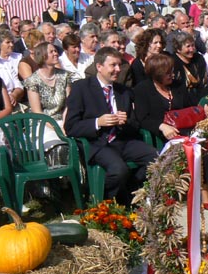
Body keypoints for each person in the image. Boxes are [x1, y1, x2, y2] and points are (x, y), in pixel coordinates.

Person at [65, 47, 158, 204]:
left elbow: (135, 124)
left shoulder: (123, 91)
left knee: (157, 158)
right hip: (97, 143)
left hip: (122, 140)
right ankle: (105, 201)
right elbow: (71, 127)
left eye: (119, 65)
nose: (117, 69)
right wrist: (97, 122)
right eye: (113, 65)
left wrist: (125, 121)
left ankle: (133, 192)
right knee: (118, 170)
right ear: (99, 67)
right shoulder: (81, 88)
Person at [132, 52, 208, 207]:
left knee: (204, 144)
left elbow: (190, 106)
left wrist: (203, 110)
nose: (172, 75)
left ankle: (204, 188)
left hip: (185, 129)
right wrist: (161, 126)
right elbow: (142, 118)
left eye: (172, 71)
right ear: (156, 74)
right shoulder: (142, 90)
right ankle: (177, 189)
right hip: (163, 133)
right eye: (167, 73)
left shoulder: (177, 85)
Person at [24, 42, 72, 134]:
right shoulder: (33, 81)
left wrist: (65, 124)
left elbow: (68, 104)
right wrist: (57, 129)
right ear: (43, 56)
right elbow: (37, 112)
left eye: (55, 51)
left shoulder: (65, 76)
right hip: (42, 123)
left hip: (63, 120)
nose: (56, 53)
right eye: (51, 51)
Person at [170, 31, 208, 106]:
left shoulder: (198, 58)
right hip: (181, 104)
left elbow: (204, 83)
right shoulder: (172, 62)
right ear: (178, 49)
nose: (192, 49)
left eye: (193, 45)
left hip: (200, 101)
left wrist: (203, 102)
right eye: (188, 46)